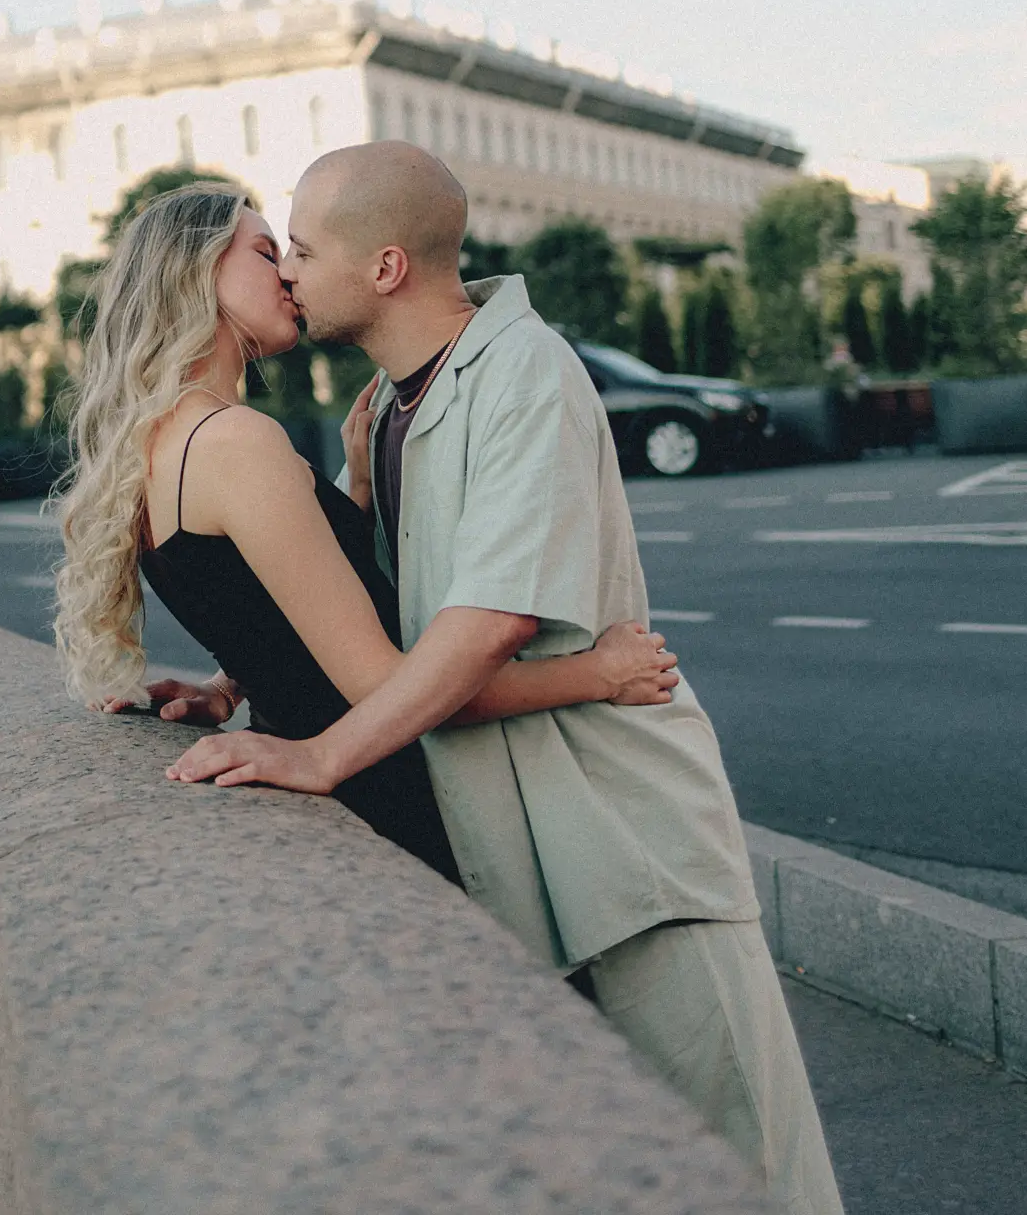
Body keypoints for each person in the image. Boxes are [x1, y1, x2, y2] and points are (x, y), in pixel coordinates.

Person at [168, 145, 843, 1215]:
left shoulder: (524, 369)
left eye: (300, 248)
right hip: (522, 851)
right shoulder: (389, 406)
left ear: (386, 265)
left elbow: (488, 620)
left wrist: (322, 752)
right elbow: (372, 607)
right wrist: (233, 675)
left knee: (745, 1171)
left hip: (625, 846)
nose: (286, 272)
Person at [53, 181, 681, 886]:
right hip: (377, 796)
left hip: (312, 782)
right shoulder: (234, 442)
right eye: (266, 253)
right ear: (197, 274)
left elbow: (262, 605)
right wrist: (597, 674)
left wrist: (230, 684)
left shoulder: (159, 442)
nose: (288, 271)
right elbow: (387, 685)